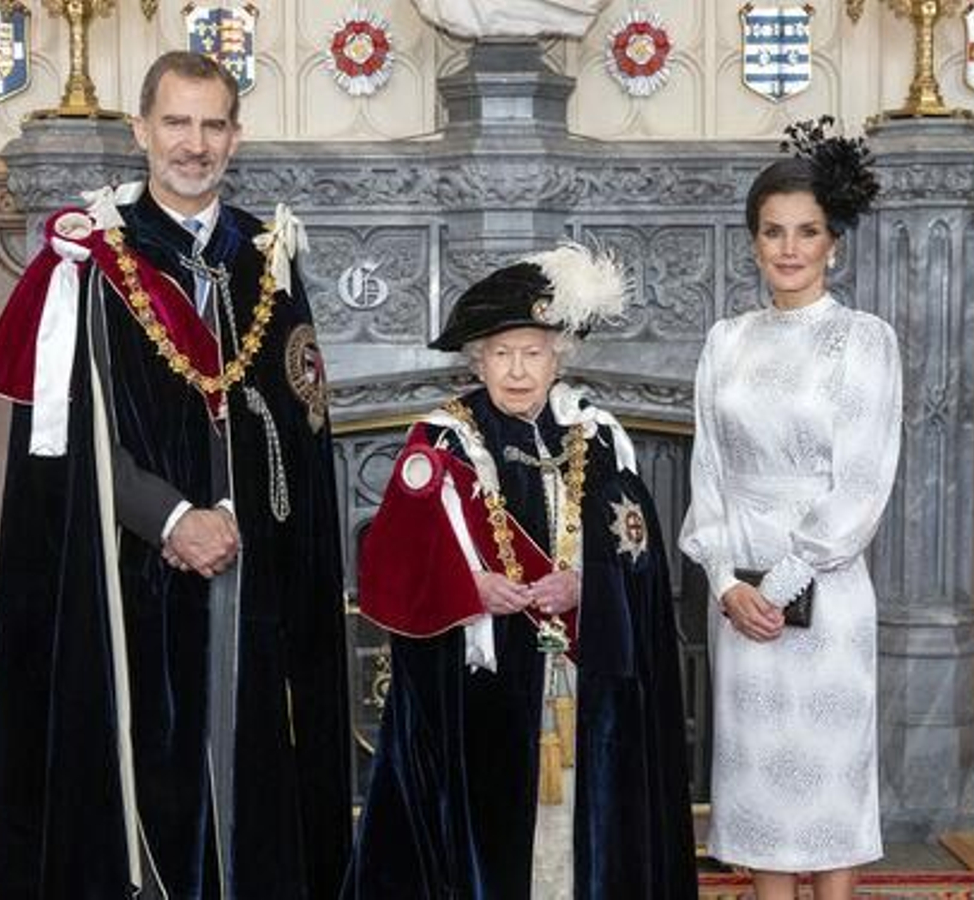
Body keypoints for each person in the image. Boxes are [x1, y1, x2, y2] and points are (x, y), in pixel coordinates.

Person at [0, 51, 350, 899]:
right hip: (130, 574)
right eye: (176, 123)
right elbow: (59, 441)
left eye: (213, 124)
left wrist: (252, 518)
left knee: (252, 778)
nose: (195, 144)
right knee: (148, 786)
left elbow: (300, 416)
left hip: (252, 575)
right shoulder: (91, 262)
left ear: (236, 136)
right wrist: (174, 518)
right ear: (141, 130)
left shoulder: (267, 254)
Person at [342, 243, 698, 900]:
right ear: (478, 359)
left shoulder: (596, 435)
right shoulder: (442, 442)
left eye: (532, 353)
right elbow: (389, 564)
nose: (515, 370)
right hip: (480, 683)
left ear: (557, 356)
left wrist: (589, 584)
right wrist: (468, 587)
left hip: (582, 679)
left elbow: (638, 550)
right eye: (500, 353)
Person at [679, 117, 899, 900]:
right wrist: (724, 583)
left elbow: (863, 484)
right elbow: (709, 470)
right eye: (772, 232)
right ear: (752, 241)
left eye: (807, 231)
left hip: (826, 598)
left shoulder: (865, 340)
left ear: (833, 241)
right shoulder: (724, 341)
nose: (790, 247)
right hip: (737, 596)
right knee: (761, 794)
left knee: (830, 787)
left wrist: (778, 587)